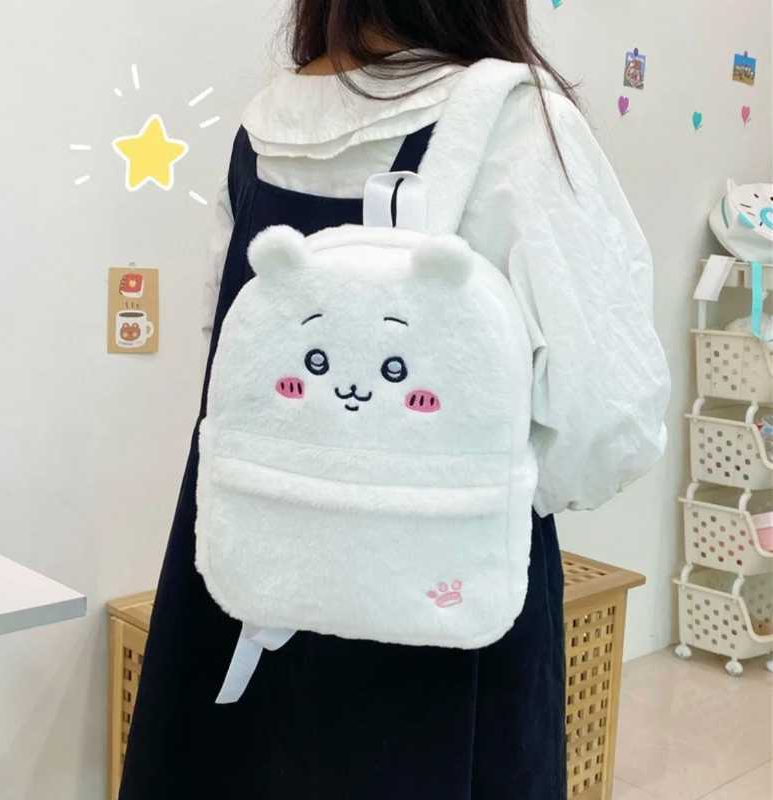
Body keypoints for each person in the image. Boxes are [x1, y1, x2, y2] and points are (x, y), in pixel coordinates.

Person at [119, 2, 669, 798]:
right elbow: (606, 420)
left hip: (252, 577)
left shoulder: (265, 126)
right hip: (440, 601)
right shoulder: (512, 121)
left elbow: (230, 359)